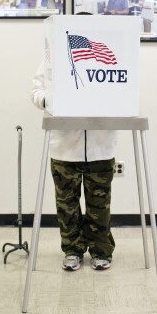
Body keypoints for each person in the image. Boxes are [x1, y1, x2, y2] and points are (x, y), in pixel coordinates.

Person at [30, 21, 116, 271]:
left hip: (101, 146)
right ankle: (72, 250)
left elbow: (124, 88)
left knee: (100, 205)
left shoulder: (109, 56)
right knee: (66, 205)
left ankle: (101, 251)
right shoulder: (54, 57)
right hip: (64, 146)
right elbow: (36, 90)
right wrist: (48, 99)